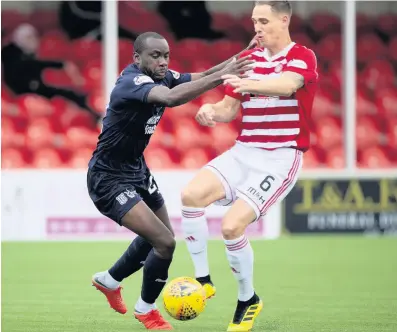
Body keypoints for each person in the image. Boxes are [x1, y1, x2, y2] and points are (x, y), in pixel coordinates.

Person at [87, 31, 254, 330]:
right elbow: (173, 98)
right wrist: (224, 77)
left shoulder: (161, 74)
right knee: (164, 243)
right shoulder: (132, 82)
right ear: (137, 58)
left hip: (137, 170)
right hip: (108, 177)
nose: (163, 61)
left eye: (166, 55)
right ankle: (145, 310)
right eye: (155, 56)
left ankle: (109, 281)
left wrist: (242, 55)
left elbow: (202, 75)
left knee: (162, 236)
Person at [180, 1, 319, 331]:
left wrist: (248, 83)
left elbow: (288, 85)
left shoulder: (302, 56)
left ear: (284, 20)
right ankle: (204, 281)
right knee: (191, 195)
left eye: (264, 20)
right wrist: (211, 111)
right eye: (254, 20)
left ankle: (247, 299)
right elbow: (229, 110)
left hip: (280, 156)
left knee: (231, 227)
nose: (257, 26)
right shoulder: (249, 61)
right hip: (244, 152)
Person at [1, 24, 100, 122]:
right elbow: (29, 66)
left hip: (34, 87)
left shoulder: (26, 54)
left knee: (68, 95)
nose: (34, 41)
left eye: (35, 37)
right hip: (21, 91)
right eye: (29, 38)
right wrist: (59, 64)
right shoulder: (10, 54)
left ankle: (94, 115)